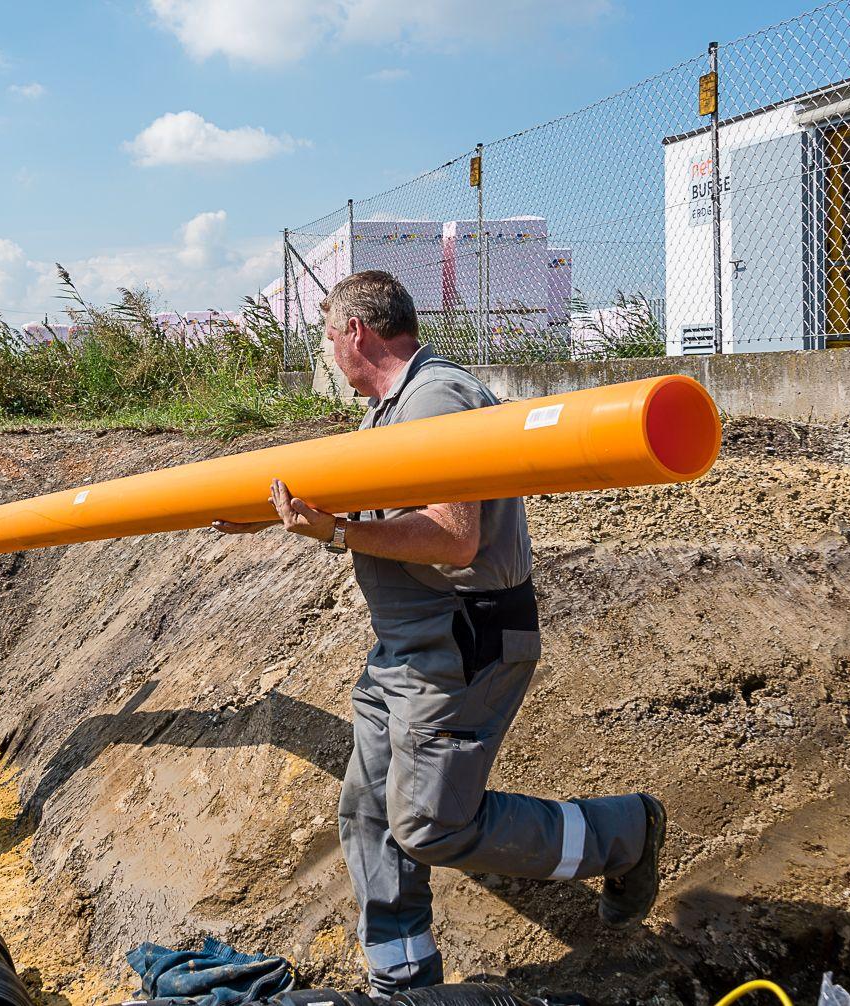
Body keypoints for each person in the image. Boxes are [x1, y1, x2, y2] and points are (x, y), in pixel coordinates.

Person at [214, 271, 666, 996]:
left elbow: (456, 540)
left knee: (429, 827)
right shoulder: (389, 410)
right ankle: (406, 979)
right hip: (408, 643)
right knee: (369, 811)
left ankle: (626, 835)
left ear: (357, 331)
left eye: (329, 336)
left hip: (462, 640)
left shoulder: (438, 398)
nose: (329, 352)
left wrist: (331, 533)